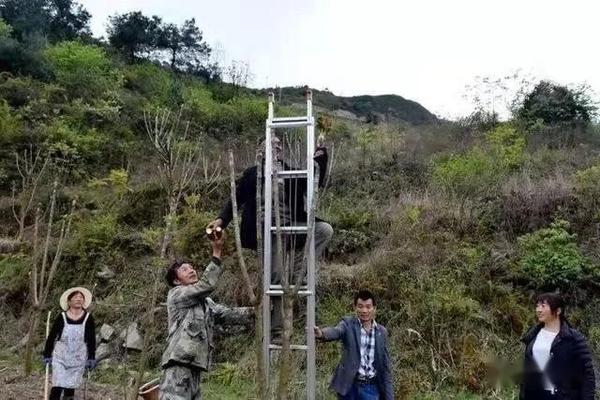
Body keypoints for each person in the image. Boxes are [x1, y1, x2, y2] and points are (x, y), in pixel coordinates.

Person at [207, 135, 333, 341]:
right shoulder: (253, 174)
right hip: (265, 230)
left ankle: (297, 274)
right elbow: (236, 198)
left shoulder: (289, 170)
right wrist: (221, 219)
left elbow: (313, 181)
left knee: (324, 230)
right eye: (272, 143)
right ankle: (276, 331)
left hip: (290, 226)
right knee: (274, 279)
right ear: (261, 148)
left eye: (279, 144)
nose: (278, 146)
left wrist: (320, 157)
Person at [160, 230, 251, 400]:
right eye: (184, 269)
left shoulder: (205, 303)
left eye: (192, 267)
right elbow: (206, 284)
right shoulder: (177, 294)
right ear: (176, 281)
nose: (191, 270)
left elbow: (226, 314)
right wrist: (216, 252)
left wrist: (256, 312)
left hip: (194, 368)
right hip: (178, 366)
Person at [314, 290, 393, 400]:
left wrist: (389, 396)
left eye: (368, 307)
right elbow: (337, 331)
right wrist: (322, 333)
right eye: (360, 306)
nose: (364, 310)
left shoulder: (381, 332)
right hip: (349, 386)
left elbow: (385, 367)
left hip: (371, 388)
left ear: (374, 308)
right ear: (355, 307)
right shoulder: (348, 324)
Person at [520, 292, 595, 400]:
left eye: (543, 306)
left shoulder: (573, 338)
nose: (538, 310)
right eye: (537, 306)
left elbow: (587, 374)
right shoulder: (532, 336)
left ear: (558, 311)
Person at [43, 287, 96, 400]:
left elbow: (91, 339)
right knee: (58, 385)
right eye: (75, 297)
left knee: (70, 386)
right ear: (69, 301)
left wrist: (91, 357)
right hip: (61, 357)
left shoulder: (88, 318)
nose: (78, 299)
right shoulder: (62, 317)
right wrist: (47, 354)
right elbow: (52, 336)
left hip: (78, 357)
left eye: (81, 297)